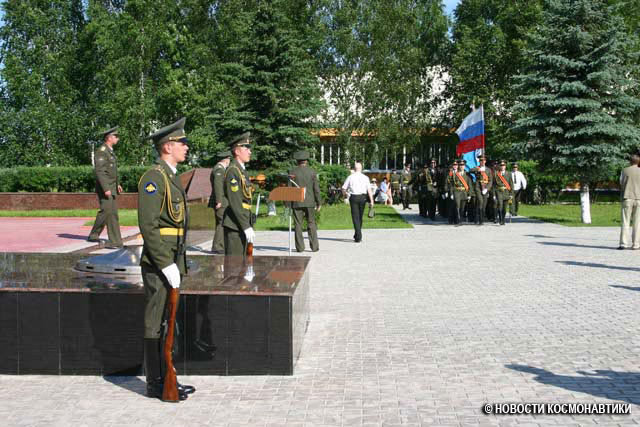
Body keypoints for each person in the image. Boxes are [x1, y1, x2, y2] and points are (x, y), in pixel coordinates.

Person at [138, 117, 195, 401]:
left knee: (167, 321)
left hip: (173, 258)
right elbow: (149, 226)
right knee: (156, 320)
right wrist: (164, 262)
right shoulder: (154, 178)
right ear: (167, 146)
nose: (186, 146)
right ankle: (155, 382)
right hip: (160, 261)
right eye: (182, 142)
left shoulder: (170, 177)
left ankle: (167, 378)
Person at [87, 126, 123, 248]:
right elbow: (100, 172)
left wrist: (117, 184)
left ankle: (94, 235)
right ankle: (115, 241)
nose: (118, 138)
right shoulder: (102, 151)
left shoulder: (109, 151)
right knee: (109, 213)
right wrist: (106, 188)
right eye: (116, 136)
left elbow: (111, 171)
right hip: (106, 188)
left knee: (107, 212)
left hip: (111, 186)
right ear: (109, 138)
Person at [223, 132, 254, 257]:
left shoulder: (242, 171)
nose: (250, 152)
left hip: (243, 220)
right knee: (234, 264)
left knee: (244, 262)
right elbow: (235, 201)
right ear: (237, 151)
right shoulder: (233, 171)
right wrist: (246, 226)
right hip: (235, 224)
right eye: (246, 148)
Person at [289, 150, 321, 252]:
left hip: (296, 201)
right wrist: (319, 202)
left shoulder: (292, 172)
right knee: (311, 223)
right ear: (306, 160)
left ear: (297, 161)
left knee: (298, 224)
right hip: (310, 201)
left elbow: (289, 189)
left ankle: (300, 247)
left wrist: (288, 204)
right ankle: (314, 247)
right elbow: (316, 189)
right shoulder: (312, 172)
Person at [341, 162, 374, 243]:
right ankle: (357, 234)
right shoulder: (365, 177)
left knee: (355, 217)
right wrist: (372, 201)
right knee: (360, 216)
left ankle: (358, 236)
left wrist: (345, 195)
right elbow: (369, 190)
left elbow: (343, 188)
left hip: (354, 197)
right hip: (363, 197)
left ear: (354, 169)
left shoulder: (350, 177)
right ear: (361, 169)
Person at [207, 150, 231, 254]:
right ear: (226, 159)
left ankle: (219, 245)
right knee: (221, 223)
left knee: (220, 223)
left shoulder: (220, 169)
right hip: (221, 201)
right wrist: (219, 201)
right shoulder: (219, 169)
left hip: (221, 200)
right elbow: (218, 186)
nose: (229, 161)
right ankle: (218, 246)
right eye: (229, 159)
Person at [618, 154, 640, 249]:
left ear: (630, 161)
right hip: (639, 198)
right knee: (637, 222)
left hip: (627, 197)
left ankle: (623, 244)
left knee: (625, 221)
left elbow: (621, 183)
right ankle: (636, 244)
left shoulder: (624, 170)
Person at [470, 155, 493, 225]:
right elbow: (470, 170)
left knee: (484, 205)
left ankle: (480, 218)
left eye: (483, 160)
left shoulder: (488, 170)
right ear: (479, 161)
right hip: (478, 187)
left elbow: (490, 181)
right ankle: (480, 220)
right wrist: (478, 170)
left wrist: (487, 189)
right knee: (480, 201)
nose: (482, 162)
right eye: (481, 160)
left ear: (485, 161)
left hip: (485, 188)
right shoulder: (477, 168)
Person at [493, 160, 514, 225]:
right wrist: (494, 194)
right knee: (500, 206)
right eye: (501, 165)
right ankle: (500, 220)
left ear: (505, 166)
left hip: (506, 192)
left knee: (504, 208)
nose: (502, 166)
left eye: (503, 165)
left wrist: (511, 194)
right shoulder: (496, 174)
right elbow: (494, 185)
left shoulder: (509, 173)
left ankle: (503, 219)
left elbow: (511, 184)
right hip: (499, 192)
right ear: (499, 166)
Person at [453, 159, 472, 225]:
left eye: (463, 165)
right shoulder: (455, 174)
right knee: (457, 206)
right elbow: (452, 184)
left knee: (462, 208)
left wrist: (469, 194)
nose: (461, 166)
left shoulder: (467, 175)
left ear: (465, 166)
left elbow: (470, 185)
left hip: (464, 192)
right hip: (457, 192)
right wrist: (452, 193)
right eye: (460, 165)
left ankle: (460, 219)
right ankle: (457, 220)